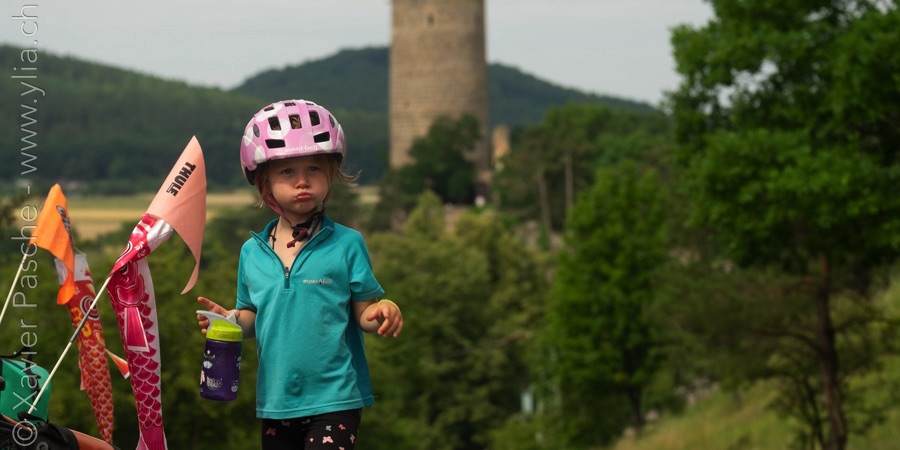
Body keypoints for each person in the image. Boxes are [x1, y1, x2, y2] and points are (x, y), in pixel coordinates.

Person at [197, 99, 403, 450]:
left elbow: (364, 312)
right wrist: (230, 320)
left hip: (335, 398)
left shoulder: (347, 244)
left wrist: (384, 310)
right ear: (264, 183)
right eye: (287, 172)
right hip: (277, 401)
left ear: (331, 174)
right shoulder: (251, 252)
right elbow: (252, 317)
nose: (303, 181)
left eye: (314, 169)